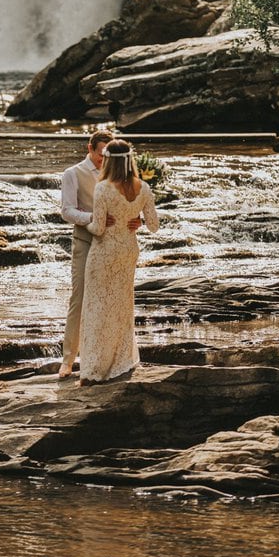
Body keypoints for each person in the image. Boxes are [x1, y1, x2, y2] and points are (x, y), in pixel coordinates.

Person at [78, 138, 159, 386]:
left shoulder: (103, 188)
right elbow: (154, 226)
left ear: (109, 161)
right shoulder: (143, 188)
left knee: (97, 308)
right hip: (128, 251)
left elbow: (99, 229)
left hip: (104, 253)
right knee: (121, 306)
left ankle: (95, 369)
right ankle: (121, 361)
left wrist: (85, 222)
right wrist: (139, 221)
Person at [58, 130, 114, 379]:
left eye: (108, 155)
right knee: (79, 298)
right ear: (89, 149)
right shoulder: (72, 174)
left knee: (109, 299)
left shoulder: (117, 172)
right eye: (101, 154)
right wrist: (93, 218)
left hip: (113, 243)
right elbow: (67, 211)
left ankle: (104, 357)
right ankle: (68, 360)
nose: (104, 159)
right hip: (85, 240)